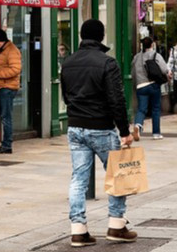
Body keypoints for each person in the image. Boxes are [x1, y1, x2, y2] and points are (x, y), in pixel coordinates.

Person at [60, 18, 137, 246]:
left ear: (82, 36)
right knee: (117, 175)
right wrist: (124, 130)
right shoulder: (107, 63)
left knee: (78, 179)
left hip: (75, 126)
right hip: (101, 127)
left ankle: (78, 230)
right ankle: (116, 225)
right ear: (101, 36)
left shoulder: (68, 62)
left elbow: (65, 96)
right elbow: (116, 99)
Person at [0, 29, 21, 154]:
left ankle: (7, 145)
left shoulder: (11, 51)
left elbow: (16, 69)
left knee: (6, 117)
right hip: (1, 87)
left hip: (7, 88)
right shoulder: (2, 51)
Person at [131, 37, 169, 140]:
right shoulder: (156, 55)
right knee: (155, 109)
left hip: (140, 86)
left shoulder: (136, 57)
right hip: (153, 85)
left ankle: (138, 125)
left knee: (141, 109)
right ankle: (156, 133)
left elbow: (133, 73)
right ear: (152, 44)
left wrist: (136, 85)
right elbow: (164, 69)